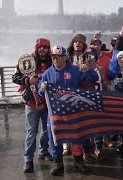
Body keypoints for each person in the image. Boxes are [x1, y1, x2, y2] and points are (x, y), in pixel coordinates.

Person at [39, 45, 98, 175]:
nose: (56, 59)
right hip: (55, 113)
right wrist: (41, 89)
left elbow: (94, 79)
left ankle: (78, 161)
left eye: (59, 56)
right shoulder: (47, 73)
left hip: (73, 112)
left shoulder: (75, 70)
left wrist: (88, 70)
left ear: (66, 57)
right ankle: (57, 162)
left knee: (76, 136)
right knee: (54, 137)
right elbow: (40, 93)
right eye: (53, 57)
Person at [12, 38, 53, 172]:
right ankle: (28, 160)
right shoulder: (27, 61)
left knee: (47, 131)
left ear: (48, 49)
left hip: (47, 103)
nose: (42, 49)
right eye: (40, 47)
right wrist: (27, 80)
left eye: (45, 47)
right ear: (36, 47)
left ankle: (43, 151)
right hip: (32, 104)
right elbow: (15, 77)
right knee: (31, 132)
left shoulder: (52, 61)